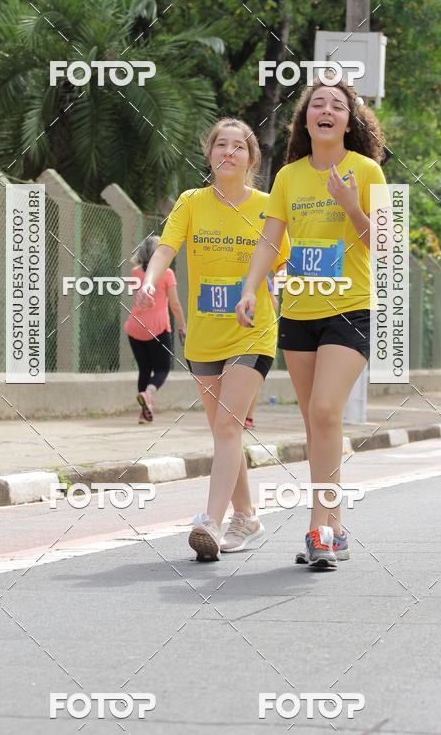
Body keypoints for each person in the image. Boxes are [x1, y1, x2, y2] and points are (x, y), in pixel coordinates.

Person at [236, 79, 388, 570]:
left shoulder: (366, 172)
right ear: (305, 120)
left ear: (350, 121)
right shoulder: (288, 177)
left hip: (352, 309)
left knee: (325, 409)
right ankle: (337, 526)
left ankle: (318, 527)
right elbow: (269, 241)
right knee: (314, 420)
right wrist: (249, 288)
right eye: (317, 104)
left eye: (337, 105)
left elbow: (384, 246)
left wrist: (350, 204)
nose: (326, 110)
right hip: (299, 311)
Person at [137, 119, 289, 560]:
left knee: (228, 425)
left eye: (237, 147)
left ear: (251, 158)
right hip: (203, 334)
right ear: (209, 155)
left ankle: (210, 521)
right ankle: (248, 517)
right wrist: (151, 279)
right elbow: (165, 249)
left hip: (252, 329)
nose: (228, 152)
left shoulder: (268, 207)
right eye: (220, 145)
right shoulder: (191, 203)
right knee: (225, 433)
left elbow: (285, 265)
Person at [124, 235, 186, 423]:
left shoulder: (135, 273)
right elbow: (174, 304)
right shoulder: (167, 274)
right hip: (158, 328)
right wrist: (182, 325)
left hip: (135, 327)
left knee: (144, 369)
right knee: (162, 369)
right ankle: (149, 393)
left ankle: (144, 413)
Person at [243, 275, 280, 431]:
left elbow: (274, 304)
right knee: (253, 383)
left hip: (254, 334)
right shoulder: (263, 277)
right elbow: (274, 304)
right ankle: (247, 417)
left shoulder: (261, 277)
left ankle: (245, 417)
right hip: (255, 334)